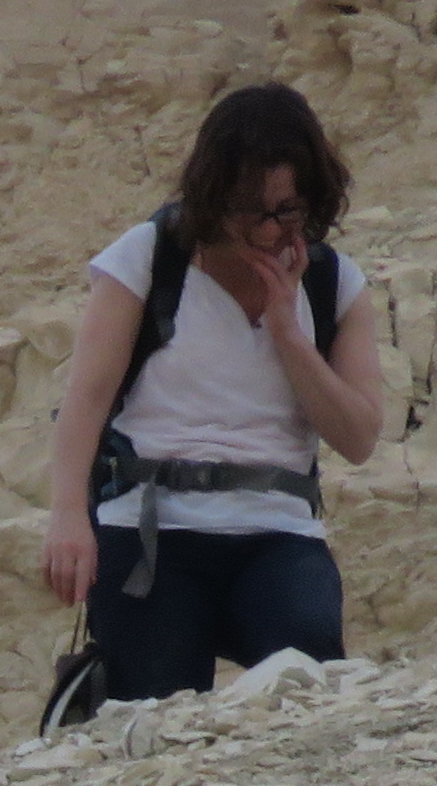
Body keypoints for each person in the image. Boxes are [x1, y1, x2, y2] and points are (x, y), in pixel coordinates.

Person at [39, 82, 384, 700]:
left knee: (309, 681)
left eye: (288, 210)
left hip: (277, 529)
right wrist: (68, 517)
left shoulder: (336, 285)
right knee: (156, 709)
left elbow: (359, 438)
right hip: (150, 531)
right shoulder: (148, 258)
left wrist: (288, 331)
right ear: (214, 196)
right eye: (250, 210)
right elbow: (86, 398)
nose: (270, 231)